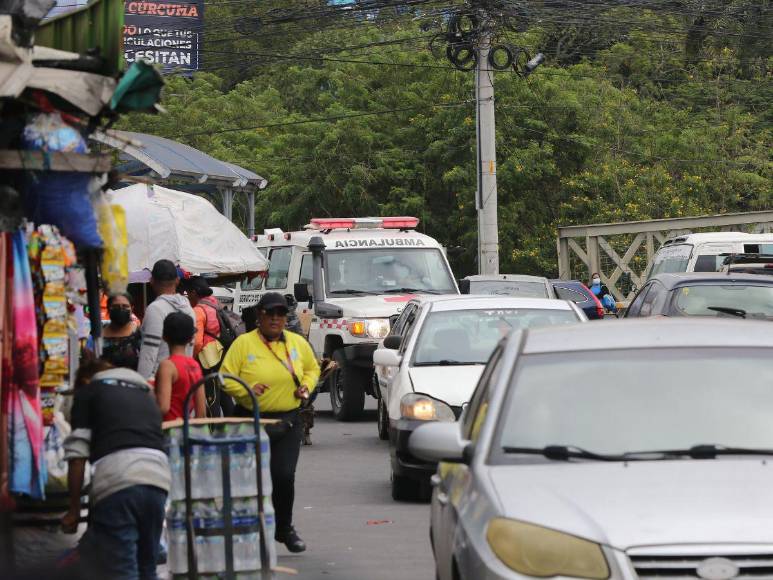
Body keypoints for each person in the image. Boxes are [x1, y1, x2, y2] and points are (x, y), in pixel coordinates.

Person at [220, 293, 320, 553]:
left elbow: (312, 368)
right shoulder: (244, 344)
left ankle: (284, 528)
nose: (275, 319)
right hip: (250, 420)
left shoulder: (297, 343)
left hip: (288, 420)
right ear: (259, 316)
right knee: (249, 480)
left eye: (281, 314)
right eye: (270, 313)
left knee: (284, 476)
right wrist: (247, 389)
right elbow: (224, 378)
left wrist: (306, 388)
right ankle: (248, 531)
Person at [61, 361, 170, 579]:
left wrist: (73, 510)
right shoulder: (144, 394)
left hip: (117, 482)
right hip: (158, 482)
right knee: (147, 567)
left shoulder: (88, 392)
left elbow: (77, 456)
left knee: (122, 570)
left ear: (84, 381)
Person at [137, 259, 196, 380]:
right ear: (177, 280)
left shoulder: (155, 309)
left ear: (152, 281)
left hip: (159, 380)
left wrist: (141, 384)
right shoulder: (189, 309)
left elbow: (149, 353)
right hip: (184, 378)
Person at [155, 312, 207, 422]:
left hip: (168, 430)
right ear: (191, 338)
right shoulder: (195, 365)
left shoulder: (167, 366)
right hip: (186, 431)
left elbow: (163, 407)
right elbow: (201, 413)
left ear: (164, 336)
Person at [100, 293, 142, 370]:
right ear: (108, 309)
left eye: (125, 306)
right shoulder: (97, 335)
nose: (120, 309)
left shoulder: (140, 334)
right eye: (115, 306)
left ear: (132, 309)